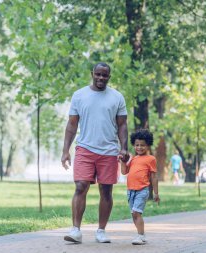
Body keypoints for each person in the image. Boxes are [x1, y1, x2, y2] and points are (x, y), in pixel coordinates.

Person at [61, 62, 129, 244]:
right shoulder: (79, 95)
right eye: (98, 74)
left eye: (104, 75)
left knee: (106, 191)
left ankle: (101, 230)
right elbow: (72, 124)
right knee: (80, 186)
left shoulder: (117, 97)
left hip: (109, 151)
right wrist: (65, 150)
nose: (101, 78)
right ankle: (75, 230)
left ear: (109, 77)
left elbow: (122, 125)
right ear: (92, 73)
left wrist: (124, 147)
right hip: (85, 149)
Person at [119, 129, 160, 245]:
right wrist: (122, 162)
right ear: (133, 145)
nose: (139, 147)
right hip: (131, 191)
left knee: (137, 213)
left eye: (143, 145)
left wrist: (156, 193)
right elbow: (124, 172)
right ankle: (141, 235)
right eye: (137, 145)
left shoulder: (151, 159)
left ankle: (140, 236)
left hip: (142, 190)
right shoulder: (133, 159)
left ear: (148, 145)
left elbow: (154, 177)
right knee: (134, 214)